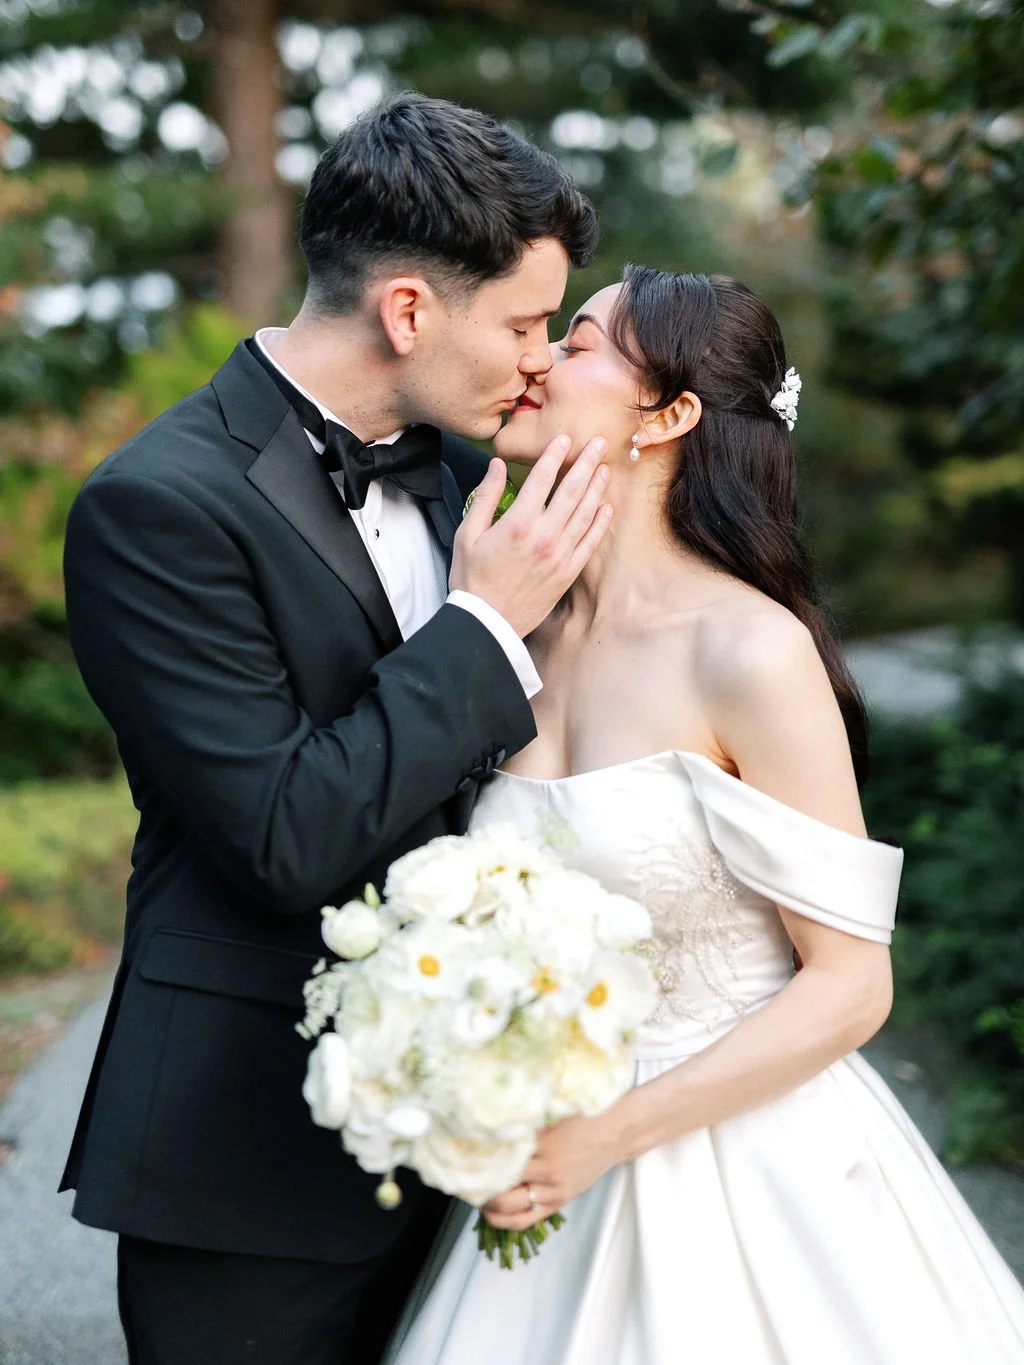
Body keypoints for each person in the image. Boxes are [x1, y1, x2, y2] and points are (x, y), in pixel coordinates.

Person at [59, 93, 614, 1365]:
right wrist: (481, 629)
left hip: (483, 1138)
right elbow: (284, 829)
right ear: (409, 309)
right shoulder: (157, 508)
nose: (543, 359)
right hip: (247, 1144)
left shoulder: (472, 473)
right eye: (527, 324)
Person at [384, 267, 1024, 1365]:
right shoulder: (507, 639)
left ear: (669, 414)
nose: (538, 357)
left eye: (578, 341)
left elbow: (853, 982)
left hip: (747, 1170)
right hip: (542, 1163)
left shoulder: (750, 649)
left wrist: (608, 1138)